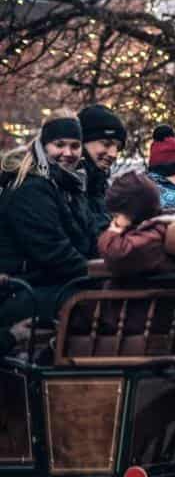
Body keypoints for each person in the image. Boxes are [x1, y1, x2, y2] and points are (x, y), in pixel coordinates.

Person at [0, 114, 96, 326]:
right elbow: (52, 251)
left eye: (75, 145)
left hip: (52, 285)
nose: (68, 153)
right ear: (44, 146)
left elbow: (90, 239)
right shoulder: (30, 188)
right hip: (21, 291)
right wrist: (98, 274)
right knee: (99, 306)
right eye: (59, 145)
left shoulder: (70, 187)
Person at [98, 171, 175, 277]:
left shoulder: (153, 233)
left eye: (116, 216)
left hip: (147, 291)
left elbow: (119, 255)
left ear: (128, 213)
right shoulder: (153, 228)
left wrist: (113, 231)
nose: (114, 221)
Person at [77, 104, 126, 237]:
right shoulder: (67, 184)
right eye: (106, 143)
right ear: (82, 142)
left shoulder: (100, 184)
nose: (114, 154)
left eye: (118, 147)